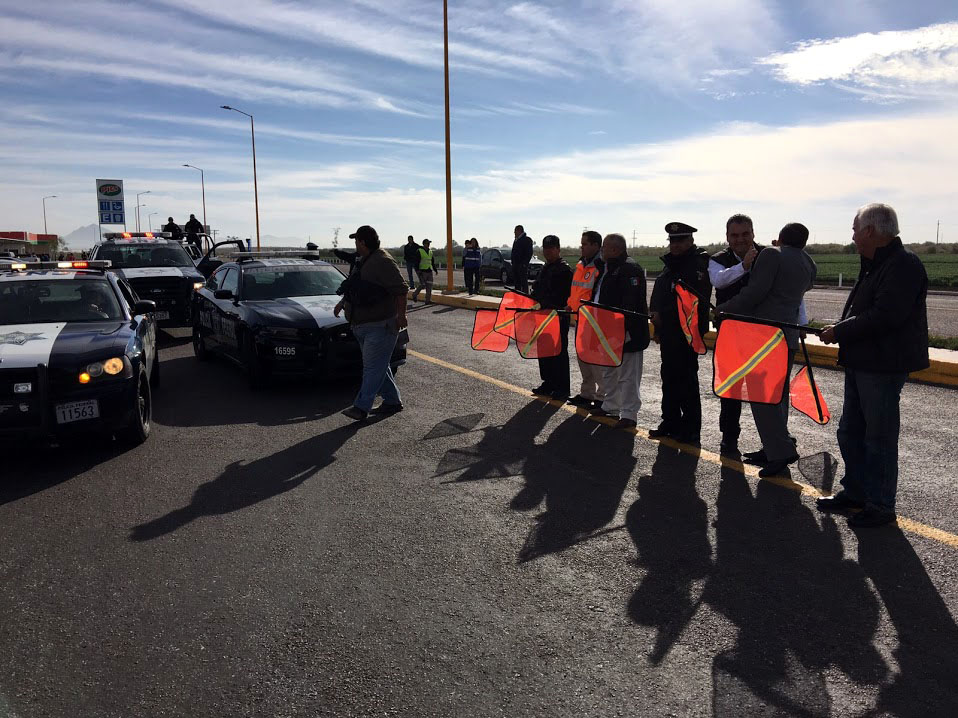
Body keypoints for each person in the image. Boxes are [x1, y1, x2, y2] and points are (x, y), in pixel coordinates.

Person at [818, 203, 929, 528]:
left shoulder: (903, 264)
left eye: (855, 230)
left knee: (877, 438)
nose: (853, 237)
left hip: (882, 366)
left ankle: (880, 506)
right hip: (862, 361)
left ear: (869, 231)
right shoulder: (877, 263)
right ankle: (856, 492)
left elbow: (886, 316)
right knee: (850, 432)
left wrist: (841, 331)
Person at [717, 223, 817, 478]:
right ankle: (772, 447)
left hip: (765, 338)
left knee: (764, 399)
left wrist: (725, 309)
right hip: (788, 335)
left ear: (780, 238)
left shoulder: (772, 254)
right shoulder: (809, 263)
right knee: (777, 397)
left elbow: (755, 293)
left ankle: (781, 452)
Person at [334, 225, 409, 421]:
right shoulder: (363, 260)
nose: (355, 244)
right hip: (361, 324)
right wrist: (342, 302)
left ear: (363, 242)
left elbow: (401, 290)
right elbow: (355, 286)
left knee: (372, 368)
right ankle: (392, 401)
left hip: (381, 325)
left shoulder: (383, 261)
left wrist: (401, 316)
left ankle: (361, 407)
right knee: (378, 366)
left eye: (356, 241)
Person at [649, 222, 711, 444]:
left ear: (690, 241)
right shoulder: (672, 265)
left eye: (679, 241)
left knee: (686, 381)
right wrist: (657, 321)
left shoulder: (697, 266)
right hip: (669, 331)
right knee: (670, 377)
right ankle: (671, 421)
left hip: (688, 332)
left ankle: (691, 429)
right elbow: (662, 293)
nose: (674, 245)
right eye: (672, 241)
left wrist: (662, 316)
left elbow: (690, 302)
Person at [709, 214, 764, 455]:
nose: (740, 239)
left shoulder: (768, 255)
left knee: (763, 390)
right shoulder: (717, 259)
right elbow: (719, 282)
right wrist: (745, 266)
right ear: (727, 238)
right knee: (730, 388)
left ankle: (772, 443)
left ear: (753, 233)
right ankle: (729, 437)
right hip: (730, 333)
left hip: (762, 334)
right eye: (735, 235)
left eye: (745, 234)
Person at [590, 233, 649, 429]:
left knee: (627, 375)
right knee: (609, 371)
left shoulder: (629, 269)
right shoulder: (608, 268)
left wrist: (622, 329)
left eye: (604, 248)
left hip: (626, 332)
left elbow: (629, 303)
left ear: (615, 249)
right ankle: (611, 406)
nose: (601, 251)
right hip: (606, 331)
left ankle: (629, 414)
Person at [529, 235, 573, 400]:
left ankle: (562, 387)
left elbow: (565, 296)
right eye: (545, 248)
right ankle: (548, 383)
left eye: (551, 248)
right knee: (544, 351)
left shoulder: (564, 270)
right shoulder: (545, 268)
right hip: (542, 315)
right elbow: (538, 289)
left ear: (558, 249)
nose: (547, 251)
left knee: (559, 352)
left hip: (557, 316)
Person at [567, 230, 606, 409]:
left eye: (584, 244)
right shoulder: (581, 265)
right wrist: (570, 305)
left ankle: (602, 397)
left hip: (594, 321)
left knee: (595, 360)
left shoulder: (601, 265)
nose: (581, 247)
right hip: (579, 318)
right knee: (583, 359)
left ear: (596, 246)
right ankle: (586, 393)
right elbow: (576, 291)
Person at [412, 238, 438, 303]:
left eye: (429, 243)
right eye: (427, 243)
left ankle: (427, 300)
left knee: (429, 286)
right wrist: (417, 270)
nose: (429, 244)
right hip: (422, 271)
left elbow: (432, 262)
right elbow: (416, 262)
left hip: (429, 271)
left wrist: (435, 270)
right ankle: (414, 294)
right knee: (422, 285)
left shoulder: (430, 251)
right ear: (424, 244)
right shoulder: (419, 251)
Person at [511, 224, 533, 293]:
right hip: (515, 265)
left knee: (523, 283)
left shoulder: (527, 240)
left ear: (519, 231)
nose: (514, 233)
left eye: (515, 231)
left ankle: (525, 298)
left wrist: (524, 264)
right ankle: (517, 298)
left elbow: (529, 253)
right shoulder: (516, 240)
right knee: (517, 283)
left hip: (522, 266)